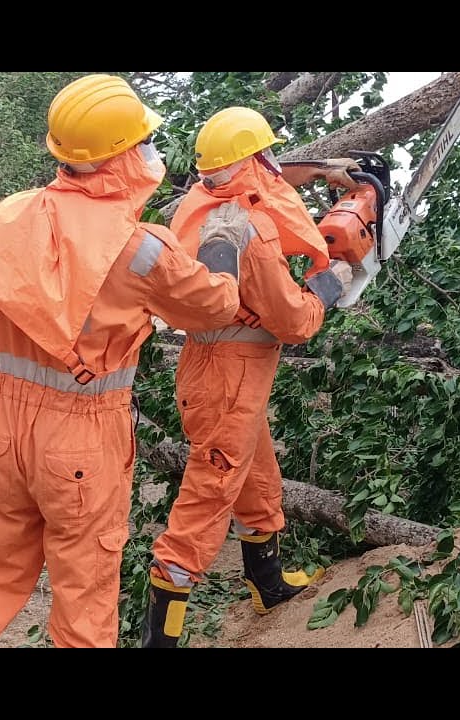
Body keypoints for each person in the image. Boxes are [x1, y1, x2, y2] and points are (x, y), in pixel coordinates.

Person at [0, 74, 247, 648]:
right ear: (124, 155)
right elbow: (215, 305)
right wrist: (222, 244)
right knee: (85, 588)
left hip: (2, 425)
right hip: (84, 437)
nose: (152, 151)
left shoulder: (7, 218)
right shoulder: (141, 248)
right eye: (145, 141)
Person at [140, 106, 358, 648]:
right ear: (255, 159)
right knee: (211, 491)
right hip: (231, 377)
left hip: (216, 368)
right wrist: (332, 285)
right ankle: (159, 636)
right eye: (266, 154)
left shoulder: (202, 201)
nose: (272, 163)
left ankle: (269, 585)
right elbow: (294, 321)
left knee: (258, 479)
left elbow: (268, 175)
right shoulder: (253, 235)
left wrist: (325, 167)